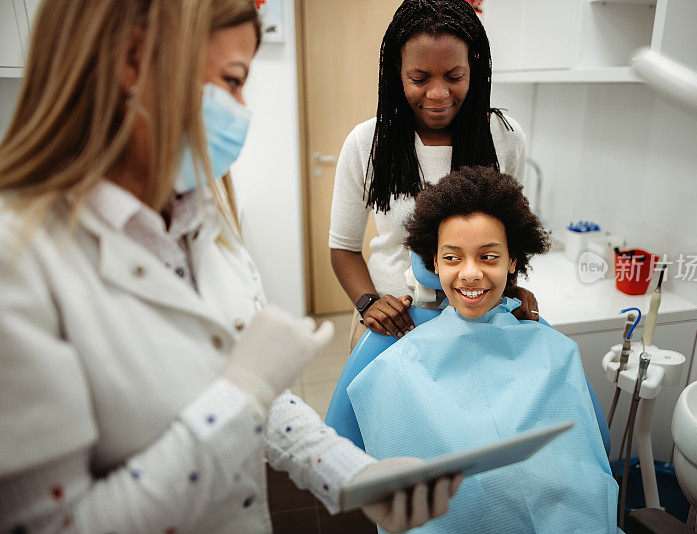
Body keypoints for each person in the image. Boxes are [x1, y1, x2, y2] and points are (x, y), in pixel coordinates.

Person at [0, 1, 459, 532]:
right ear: (131, 61)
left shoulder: (205, 224)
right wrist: (242, 393)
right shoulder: (20, 267)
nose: (242, 109)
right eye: (232, 80)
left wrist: (356, 476)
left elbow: (266, 407)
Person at [345, 167, 618, 533]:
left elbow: (586, 456)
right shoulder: (396, 360)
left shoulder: (552, 350)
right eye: (453, 258)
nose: (470, 273)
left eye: (489, 257)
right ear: (434, 263)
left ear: (513, 260)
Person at [329, 0, 539, 350]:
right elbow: (343, 248)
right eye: (420, 78)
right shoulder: (366, 143)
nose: (438, 94)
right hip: (392, 328)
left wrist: (511, 287)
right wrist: (368, 303)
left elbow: (509, 234)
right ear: (397, 73)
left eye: (454, 77)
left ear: (474, 69)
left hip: (477, 323)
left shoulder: (505, 137)